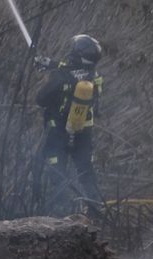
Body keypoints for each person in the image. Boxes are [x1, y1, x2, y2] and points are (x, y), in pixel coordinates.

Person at [35, 34, 104, 216]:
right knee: (85, 169)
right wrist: (50, 63)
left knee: (56, 168)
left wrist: (51, 76)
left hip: (58, 131)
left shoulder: (61, 77)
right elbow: (73, 70)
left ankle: (63, 211)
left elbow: (40, 99)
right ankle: (95, 208)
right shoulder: (94, 77)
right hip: (83, 131)